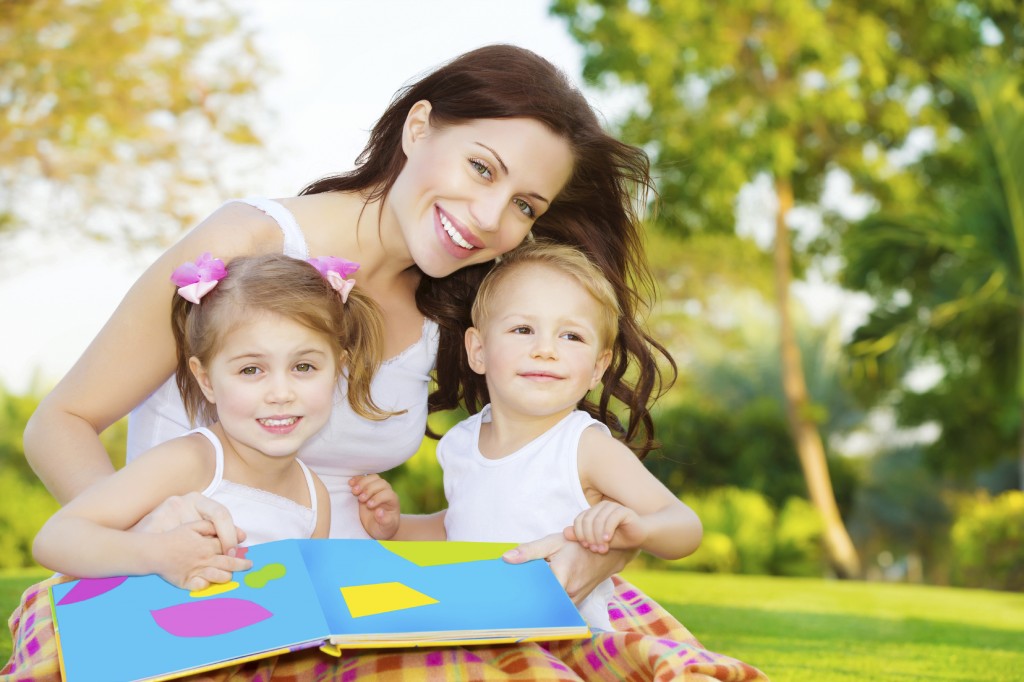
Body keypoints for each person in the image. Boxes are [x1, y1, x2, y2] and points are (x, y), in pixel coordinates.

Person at [11, 44, 767, 680]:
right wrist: (147, 544)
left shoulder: (454, 311)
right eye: (481, 168)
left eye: (526, 205)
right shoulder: (250, 246)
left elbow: (510, 478)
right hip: (223, 591)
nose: (490, 217)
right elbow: (61, 423)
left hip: (368, 604)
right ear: (418, 127)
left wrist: (596, 536)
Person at [356, 241, 703, 633]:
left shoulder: (584, 447)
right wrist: (396, 527)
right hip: (479, 628)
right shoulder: (462, 442)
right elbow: (457, 527)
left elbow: (684, 526)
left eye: (571, 336)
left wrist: (639, 529)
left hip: (563, 639)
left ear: (597, 367)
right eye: (523, 329)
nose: (545, 350)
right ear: (479, 350)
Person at [31, 252, 394, 589]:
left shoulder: (314, 496)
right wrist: (159, 554)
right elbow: (55, 538)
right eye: (251, 369)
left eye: (304, 367)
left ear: (337, 371)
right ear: (206, 380)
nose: (281, 393)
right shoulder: (191, 461)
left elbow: (300, 601)